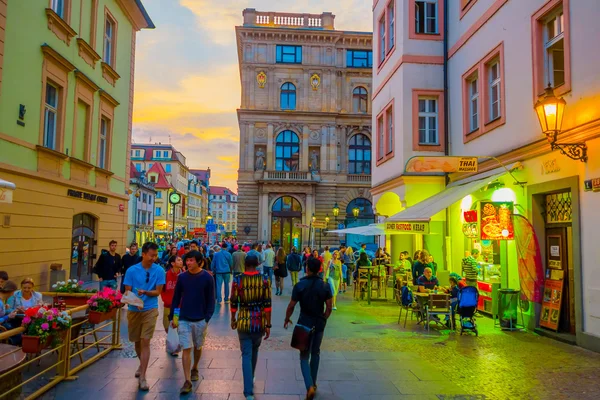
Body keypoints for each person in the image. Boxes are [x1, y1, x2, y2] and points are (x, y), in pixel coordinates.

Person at [284, 258, 333, 400]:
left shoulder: (300, 285)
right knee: (316, 352)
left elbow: (291, 305)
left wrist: (287, 318)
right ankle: (314, 383)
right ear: (319, 269)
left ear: (307, 269)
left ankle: (309, 386)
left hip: (304, 322)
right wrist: (324, 318)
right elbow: (329, 307)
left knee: (304, 356)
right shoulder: (325, 286)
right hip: (318, 323)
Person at [169, 250, 215, 394]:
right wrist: (174, 318)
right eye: (187, 260)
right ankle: (187, 380)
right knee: (186, 348)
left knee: (198, 346)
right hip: (184, 318)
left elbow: (211, 300)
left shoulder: (207, 278)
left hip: (201, 318)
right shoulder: (182, 278)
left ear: (199, 262)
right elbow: (176, 299)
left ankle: (195, 366)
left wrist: (207, 318)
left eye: (192, 260)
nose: (188, 263)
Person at [123, 242, 166, 391]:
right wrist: (135, 300)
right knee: (136, 342)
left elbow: (158, 292)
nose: (154, 258)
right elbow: (127, 292)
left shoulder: (159, 271)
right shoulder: (131, 271)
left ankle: (143, 376)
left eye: (156, 255)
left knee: (145, 341)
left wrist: (146, 293)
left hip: (150, 309)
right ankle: (141, 366)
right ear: (144, 254)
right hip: (134, 310)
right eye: (151, 255)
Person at [230, 255, 272, 400]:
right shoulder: (265, 279)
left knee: (246, 354)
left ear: (245, 264)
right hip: (259, 320)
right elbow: (267, 304)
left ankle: (248, 391)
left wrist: (233, 318)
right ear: (257, 264)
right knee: (255, 350)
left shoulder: (238, 280)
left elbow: (234, 301)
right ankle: (251, 376)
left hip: (243, 320)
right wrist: (268, 324)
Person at [161, 255, 183, 355]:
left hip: (178, 307)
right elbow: (162, 289)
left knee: (175, 325)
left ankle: (174, 348)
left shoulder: (183, 275)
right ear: (172, 263)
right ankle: (171, 341)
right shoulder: (166, 275)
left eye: (181, 260)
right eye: (178, 260)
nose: (181, 261)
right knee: (166, 326)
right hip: (167, 305)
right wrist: (166, 299)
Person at [0, 280, 20, 345]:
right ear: (11, 291)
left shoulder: (2, 300)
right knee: (19, 335)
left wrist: (5, 309)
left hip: (3, 325)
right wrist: (8, 316)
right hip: (1, 327)